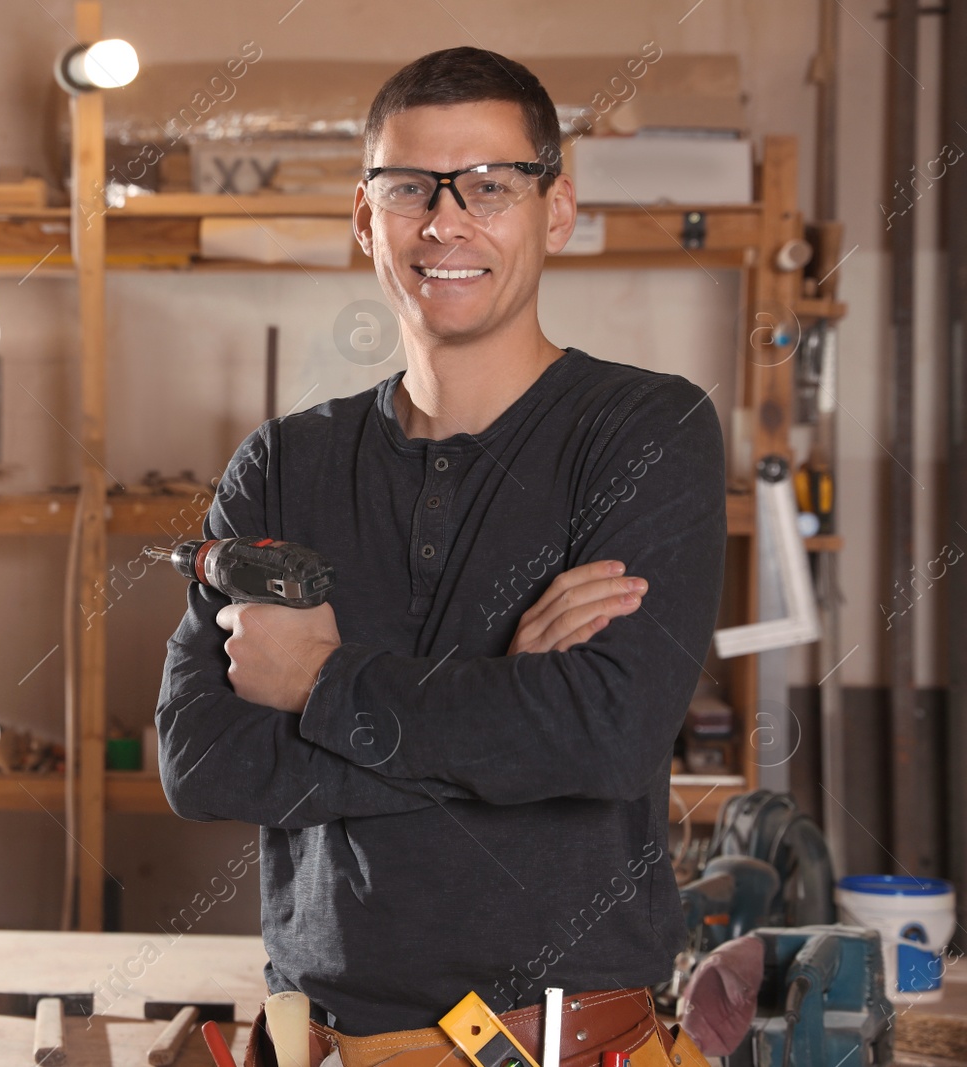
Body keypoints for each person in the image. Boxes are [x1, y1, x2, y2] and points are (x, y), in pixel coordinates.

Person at [154, 46, 727, 1064]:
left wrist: (321, 683)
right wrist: (508, 698)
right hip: (316, 1042)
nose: (445, 221)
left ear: (554, 210)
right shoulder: (284, 462)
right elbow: (204, 762)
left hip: (564, 1048)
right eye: (410, 187)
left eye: (491, 186)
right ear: (365, 216)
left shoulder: (644, 430)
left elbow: (605, 736)